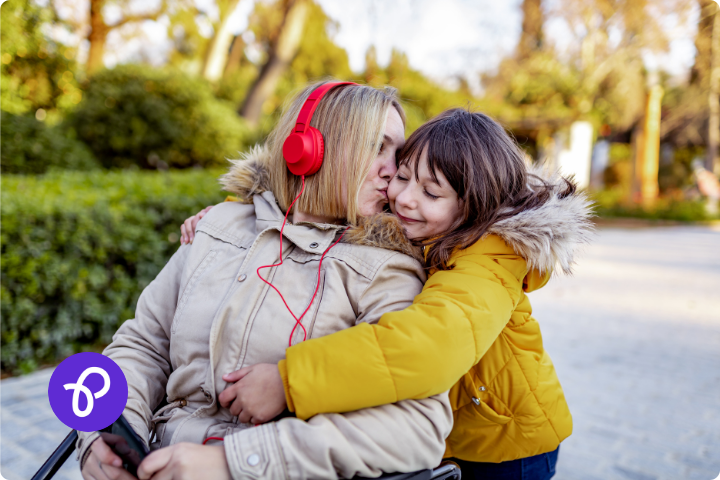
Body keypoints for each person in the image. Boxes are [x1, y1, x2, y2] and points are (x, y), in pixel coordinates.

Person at [182, 108, 594, 479]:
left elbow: (425, 347)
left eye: (431, 192)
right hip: (448, 433)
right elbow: (316, 201)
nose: (403, 198)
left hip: (505, 448)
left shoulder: (490, 259)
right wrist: (237, 216)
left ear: (475, 207)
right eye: (401, 176)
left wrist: (289, 380)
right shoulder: (420, 222)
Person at [76, 81, 453, 480]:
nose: (393, 172)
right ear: (309, 149)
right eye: (377, 147)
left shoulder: (388, 270)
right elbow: (143, 344)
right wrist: (105, 437)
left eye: (398, 154)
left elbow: (417, 427)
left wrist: (236, 462)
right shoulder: (217, 226)